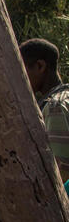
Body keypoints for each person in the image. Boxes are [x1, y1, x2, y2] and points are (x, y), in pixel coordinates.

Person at [20, 38, 69, 182]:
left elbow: (61, 172)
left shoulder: (55, 107)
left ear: (40, 66)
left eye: (22, 70)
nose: (20, 77)